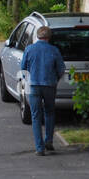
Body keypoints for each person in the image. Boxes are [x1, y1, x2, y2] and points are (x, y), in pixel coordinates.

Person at [20, 26, 66, 155]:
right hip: (50, 85)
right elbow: (61, 69)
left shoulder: (29, 49)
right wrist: (55, 79)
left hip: (34, 85)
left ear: (37, 36)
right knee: (50, 113)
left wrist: (28, 80)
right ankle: (49, 141)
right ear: (49, 37)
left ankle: (39, 148)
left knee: (35, 116)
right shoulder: (54, 50)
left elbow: (23, 69)